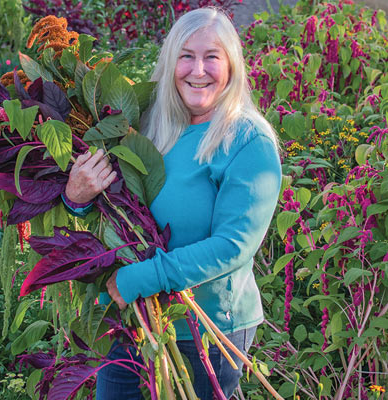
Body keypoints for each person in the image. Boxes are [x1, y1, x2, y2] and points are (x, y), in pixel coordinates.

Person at [63, 7, 281, 400]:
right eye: (186, 56)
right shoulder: (148, 125)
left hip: (207, 329)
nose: (198, 70)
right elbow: (114, 208)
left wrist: (140, 279)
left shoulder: (247, 142)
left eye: (212, 56)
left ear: (231, 65)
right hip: (134, 316)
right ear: (170, 63)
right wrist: (76, 199)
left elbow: (234, 245)